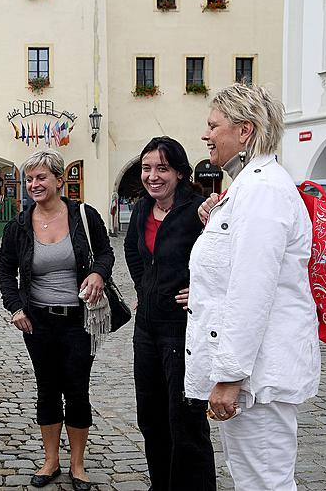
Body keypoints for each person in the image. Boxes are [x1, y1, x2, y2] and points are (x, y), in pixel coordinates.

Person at [187, 84, 320, 490]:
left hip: (256, 377)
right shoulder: (251, 187)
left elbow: (250, 290)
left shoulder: (262, 191)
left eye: (213, 125)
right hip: (254, 374)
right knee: (254, 477)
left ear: (244, 131)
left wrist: (229, 376)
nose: (206, 135)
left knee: (264, 481)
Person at [0, 149, 113, 491]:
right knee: (47, 389)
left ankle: (78, 465)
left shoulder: (83, 216)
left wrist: (98, 274)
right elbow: (4, 269)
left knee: (76, 389)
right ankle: (51, 460)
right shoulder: (19, 224)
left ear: (59, 180)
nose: (34, 184)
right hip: (38, 321)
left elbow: (105, 252)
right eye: (29, 178)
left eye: (41, 177)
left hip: (80, 319)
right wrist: (16, 307)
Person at [123, 137, 215, 491]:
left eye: (162, 168)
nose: (153, 176)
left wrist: (202, 289)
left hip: (183, 330)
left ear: (179, 172)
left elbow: (223, 257)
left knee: (186, 421)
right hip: (146, 329)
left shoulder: (199, 211)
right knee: (151, 416)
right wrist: (144, 287)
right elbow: (133, 250)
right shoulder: (144, 209)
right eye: (147, 168)